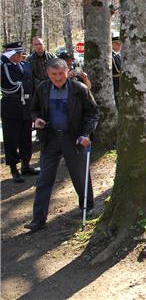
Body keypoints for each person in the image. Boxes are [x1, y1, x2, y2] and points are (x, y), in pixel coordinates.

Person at [25, 58, 99, 232]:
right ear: (48, 74)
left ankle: (86, 208)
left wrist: (86, 134)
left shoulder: (79, 89)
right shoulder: (43, 88)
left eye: (60, 74)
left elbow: (93, 113)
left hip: (74, 139)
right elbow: (33, 109)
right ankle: (38, 219)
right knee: (44, 179)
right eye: (53, 74)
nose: (57, 78)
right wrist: (37, 119)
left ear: (67, 72)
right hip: (50, 139)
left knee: (80, 176)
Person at [1, 41, 40, 182]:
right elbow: (10, 85)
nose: (20, 56)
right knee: (11, 139)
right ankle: (13, 169)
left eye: (20, 53)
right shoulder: (3, 66)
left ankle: (26, 165)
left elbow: (32, 85)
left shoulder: (26, 65)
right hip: (11, 106)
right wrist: (4, 57)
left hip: (26, 106)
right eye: (17, 53)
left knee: (26, 138)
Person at [112, 35, 122, 105]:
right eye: (117, 44)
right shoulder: (111, 56)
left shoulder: (119, 55)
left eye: (120, 44)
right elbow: (117, 70)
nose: (119, 46)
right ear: (112, 44)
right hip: (114, 81)